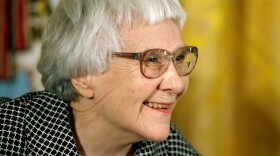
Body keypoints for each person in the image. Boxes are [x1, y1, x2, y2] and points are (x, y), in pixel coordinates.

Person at [0, 0, 199, 155]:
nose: (176, 83)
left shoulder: (171, 148)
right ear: (82, 74)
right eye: (152, 59)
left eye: (179, 58)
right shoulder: (8, 133)